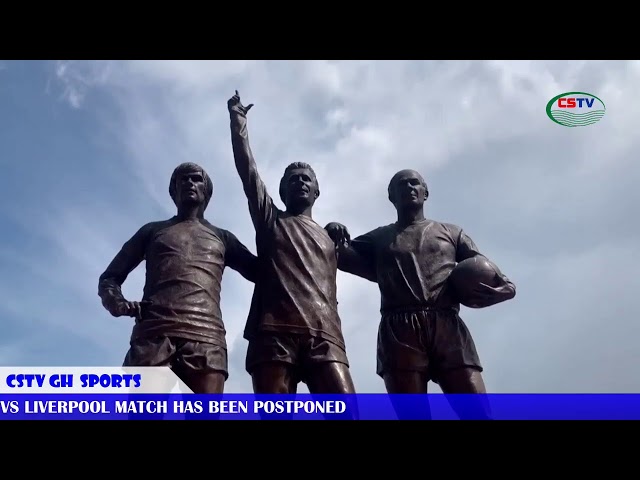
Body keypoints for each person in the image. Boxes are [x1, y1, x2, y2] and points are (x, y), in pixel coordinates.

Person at [326, 169, 516, 418]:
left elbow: (483, 266)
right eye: (401, 185)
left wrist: (504, 289)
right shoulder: (380, 238)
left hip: (446, 323)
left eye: (414, 183)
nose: (409, 188)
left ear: (426, 192)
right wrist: (332, 231)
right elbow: (338, 253)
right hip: (400, 329)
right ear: (391, 197)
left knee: (477, 410)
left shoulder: (451, 232)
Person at [227, 90, 356, 396]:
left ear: (316, 193)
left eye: (306, 179)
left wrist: (337, 232)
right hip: (273, 334)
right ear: (282, 192)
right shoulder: (271, 219)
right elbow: (248, 172)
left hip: (325, 335)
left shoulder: (330, 236)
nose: (300, 181)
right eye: (292, 179)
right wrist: (238, 123)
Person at [98, 162, 257, 395]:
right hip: (154, 334)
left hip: (206, 339)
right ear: (173, 191)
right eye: (183, 180)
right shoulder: (152, 231)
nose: (189, 183)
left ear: (207, 191)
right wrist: (118, 303)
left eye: (195, 179)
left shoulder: (223, 238)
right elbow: (110, 278)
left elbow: (264, 273)